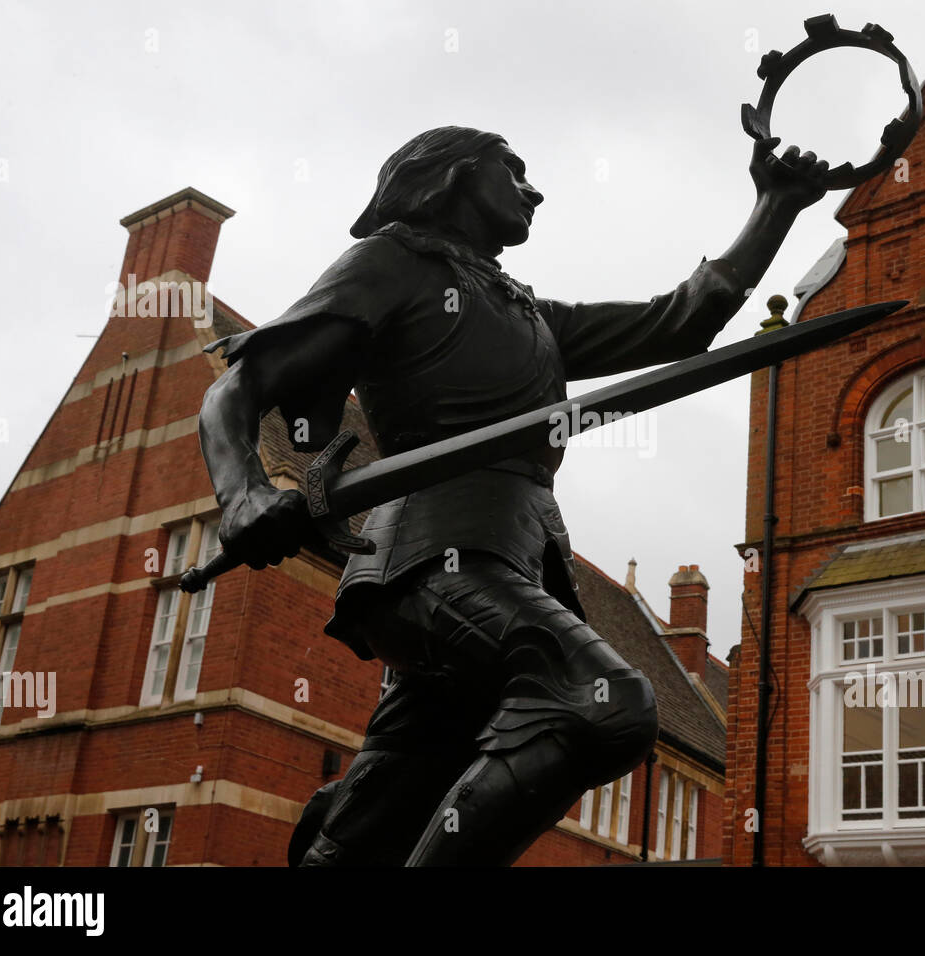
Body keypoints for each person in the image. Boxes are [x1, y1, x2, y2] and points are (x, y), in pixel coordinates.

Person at [196, 126, 829, 865]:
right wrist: (242, 497)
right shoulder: (392, 263)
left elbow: (684, 320)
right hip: (429, 560)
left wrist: (775, 208)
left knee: (387, 809)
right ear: (455, 176)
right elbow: (236, 389)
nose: (533, 190)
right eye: (514, 171)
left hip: (516, 556)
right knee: (602, 704)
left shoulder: (529, 314)